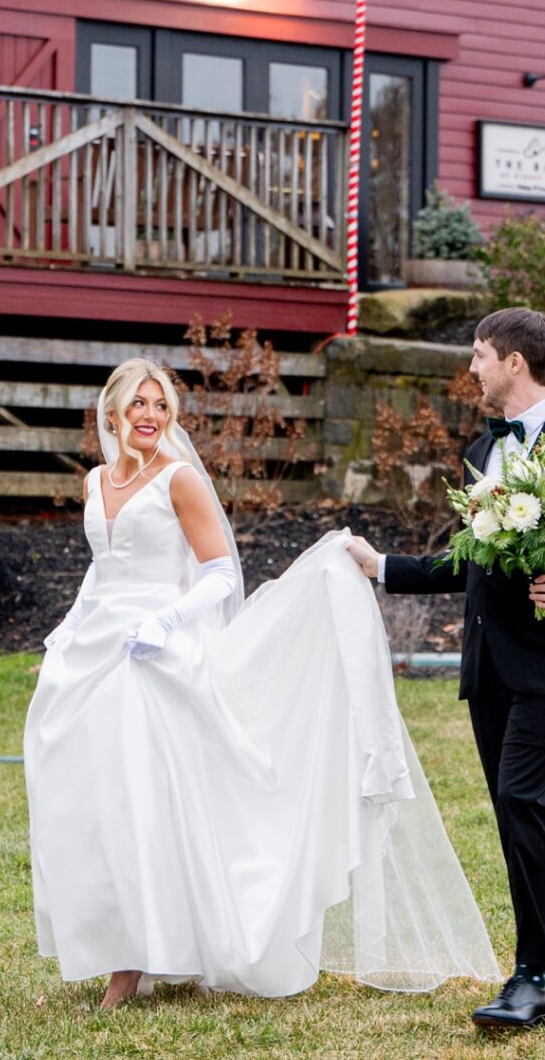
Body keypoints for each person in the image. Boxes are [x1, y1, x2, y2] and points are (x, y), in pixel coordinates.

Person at [25, 356, 500, 1008]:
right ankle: (116, 933)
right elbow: (100, 567)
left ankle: (133, 961)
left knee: (143, 798)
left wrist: (165, 621)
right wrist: (65, 631)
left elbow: (220, 574)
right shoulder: (95, 482)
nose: (150, 416)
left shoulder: (179, 480)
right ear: (111, 412)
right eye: (138, 404)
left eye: (160, 406)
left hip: (160, 651)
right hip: (96, 649)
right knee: (90, 798)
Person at [348, 305, 545, 1033]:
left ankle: (531, 979)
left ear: (514, 362)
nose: (471, 368)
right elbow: (469, 556)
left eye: (479, 355)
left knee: (519, 801)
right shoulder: (483, 451)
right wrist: (383, 567)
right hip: (490, 664)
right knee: (518, 818)